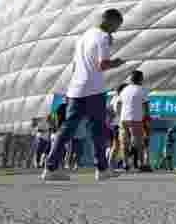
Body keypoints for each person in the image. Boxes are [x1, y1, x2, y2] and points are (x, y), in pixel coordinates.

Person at [42, 9, 125, 182]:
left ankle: (50, 168)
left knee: (66, 130)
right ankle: (102, 170)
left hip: (75, 89)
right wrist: (116, 63)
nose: (117, 29)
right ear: (111, 21)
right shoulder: (102, 37)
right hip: (93, 90)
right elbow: (102, 65)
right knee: (98, 131)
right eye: (118, 25)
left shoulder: (84, 37)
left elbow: (75, 65)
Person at [119, 70, 149, 172]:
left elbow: (119, 103)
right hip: (135, 119)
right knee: (138, 142)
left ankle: (125, 163)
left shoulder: (124, 90)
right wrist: (146, 117)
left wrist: (120, 115)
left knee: (124, 142)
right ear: (140, 79)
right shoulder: (141, 90)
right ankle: (141, 163)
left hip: (123, 119)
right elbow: (145, 105)